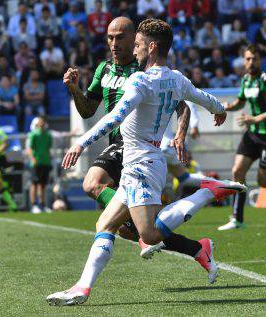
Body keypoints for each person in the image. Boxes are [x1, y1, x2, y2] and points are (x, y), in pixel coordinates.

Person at [47, 18, 245, 306]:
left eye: (137, 45)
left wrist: (80, 143)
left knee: (150, 235)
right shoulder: (177, 78)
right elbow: (204, 98)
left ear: (151, 47)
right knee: (105, 223)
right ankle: (82, 288)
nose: (135, 50)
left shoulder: (141, 79)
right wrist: (219, 110)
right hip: (139, 162)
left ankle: (207, 191)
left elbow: (114, 117)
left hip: (141, 164)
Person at [63, 17, 215, 265]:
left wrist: (180, 134)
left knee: (92, 184)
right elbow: (88, 111)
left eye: (121, 37)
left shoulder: (146, 68)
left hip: (137, 145)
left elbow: (182, 106)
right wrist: (75, 90)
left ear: (135, 38)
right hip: (116, 145)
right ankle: (196, 248)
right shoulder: (104, 70)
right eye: (110, 38)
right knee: (130, 229)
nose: (114, 43)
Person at [218, 45, 266, 231]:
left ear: (260, 61)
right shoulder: (245, 80)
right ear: (244, 60)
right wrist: (227, 107)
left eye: (254, 59)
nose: (251, 62)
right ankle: (237, 218)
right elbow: (241, 102)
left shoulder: (265, 80)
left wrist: (255, 119)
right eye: (248, 59)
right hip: (252, 135)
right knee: (237, 171)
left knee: (264, 182)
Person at [28, 116, 53, 213]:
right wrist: (33, 158)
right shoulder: (33, 134)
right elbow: (30, 148)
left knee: (43, 184)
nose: (41, 124)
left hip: (45, 162)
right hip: (36, 162)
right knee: (34, 184)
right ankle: (34, 205)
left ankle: (42, 205)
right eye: (40, 122)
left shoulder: (48, 135)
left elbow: (48, 148)